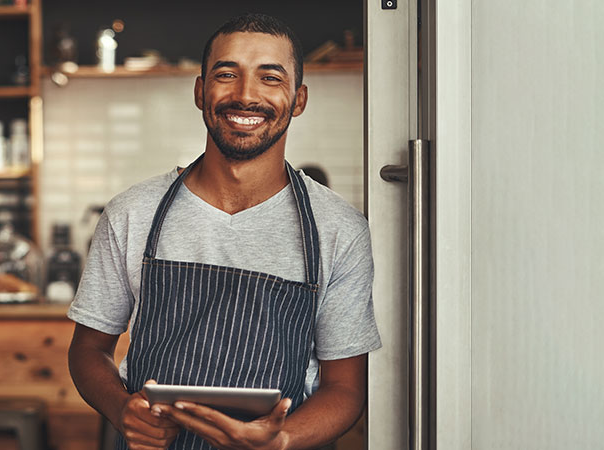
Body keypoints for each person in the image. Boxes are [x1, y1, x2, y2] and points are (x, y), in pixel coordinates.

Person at [66, 13, 380, 450]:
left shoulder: (338, 230)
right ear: (200, 91)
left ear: (299, 98)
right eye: (227, 74)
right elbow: (88, 351)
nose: (246, 95)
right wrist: (122, 410)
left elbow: (345, 388)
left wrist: (282, 439)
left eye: (270, 78)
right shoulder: (132, 213)